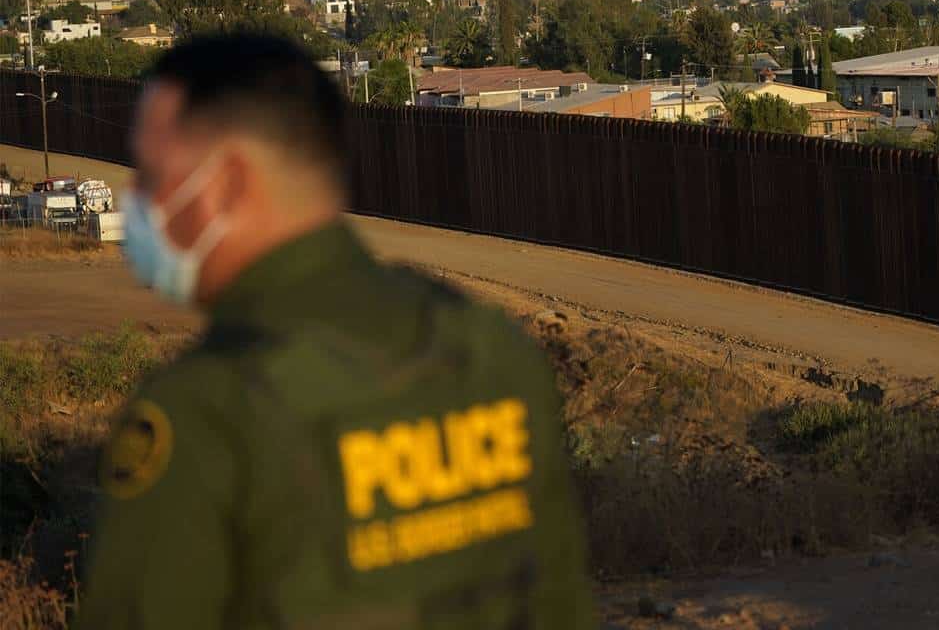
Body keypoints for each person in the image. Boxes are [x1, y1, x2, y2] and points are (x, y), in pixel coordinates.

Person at [79, 34, 595, 629]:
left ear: (228, 184)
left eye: (150, 175)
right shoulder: (488, 346)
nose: (136, 201)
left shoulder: (204, 415)